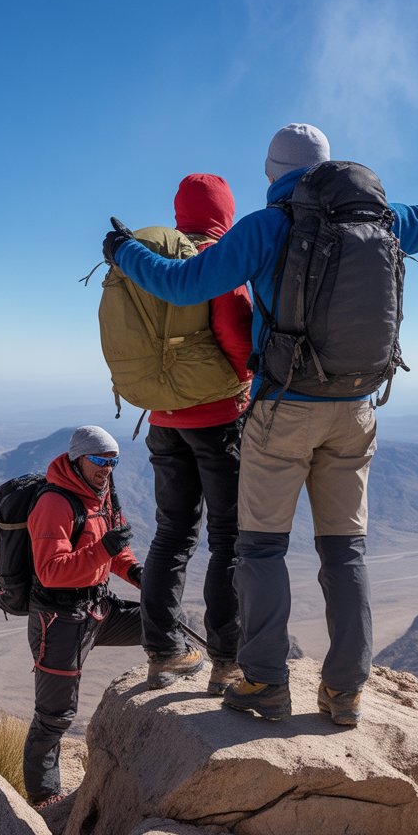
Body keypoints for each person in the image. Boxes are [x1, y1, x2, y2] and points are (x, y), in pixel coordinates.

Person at [102, 113, 418, 726]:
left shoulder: (270, 225)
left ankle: (266, 683)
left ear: (272, 174)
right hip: (355, 409)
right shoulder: (381, 217)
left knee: (261, 548)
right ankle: (346, 692)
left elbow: (186, 283)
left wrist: (124, 251)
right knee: (345, 550)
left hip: (283, 409)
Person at [138, 174, 253, 694]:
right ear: (225, 212)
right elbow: (235, 331)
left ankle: (164, 654)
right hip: (217, 421)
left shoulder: (155, 264)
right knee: (228, 539)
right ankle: (227, 661)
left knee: (172, 534)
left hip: (163, 420)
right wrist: (246, 381)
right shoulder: (219, 261)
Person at [24, 424, 143, 808]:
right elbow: (51, 571)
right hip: (60, 621)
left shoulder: (104, 495)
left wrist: (137, 574)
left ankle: (173, 669)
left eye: (113, 461)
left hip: (97, 607)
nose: (107, 468)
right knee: (54, 716)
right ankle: (44, 797)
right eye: (99, 460)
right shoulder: (54, 503)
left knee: (159, 620)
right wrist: (103, 550)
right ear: (78, 459)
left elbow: (117, 550)